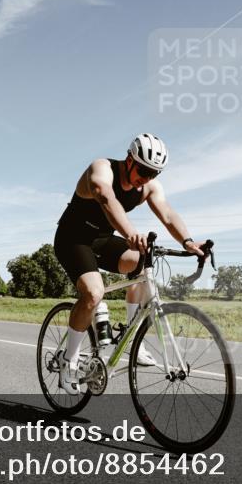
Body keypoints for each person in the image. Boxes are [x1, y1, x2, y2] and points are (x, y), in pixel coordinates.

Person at [53, 133, 207, 395]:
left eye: (153, 173)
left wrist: (188, 242)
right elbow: (106, 198)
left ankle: (131, 336)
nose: (146, 178)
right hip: (73, 238)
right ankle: (69, 361)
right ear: (129, 160)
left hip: (102, 240)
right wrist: (130, 233)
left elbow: (168, 214)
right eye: (143, 171)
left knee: (142, 262)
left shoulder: (148, 187)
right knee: (93, 293)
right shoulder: (102, 169)